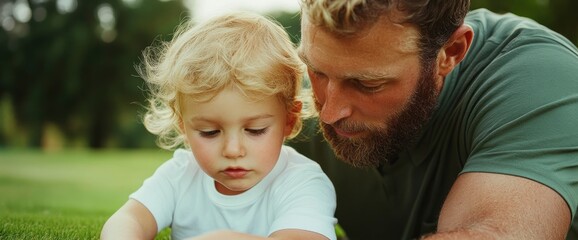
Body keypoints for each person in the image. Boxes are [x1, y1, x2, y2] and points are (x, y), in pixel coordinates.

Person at [296, 0, 578, 239]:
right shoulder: (289, 103)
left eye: (368, 85)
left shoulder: (538, 79)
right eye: (316, 72)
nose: (329, 113)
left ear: (451, 53)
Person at [101, 11, 337, 240]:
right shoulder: (180, 176)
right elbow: (129, 219)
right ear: (183, 125)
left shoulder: (302, 181)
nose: (233, 150)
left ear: (289, 120)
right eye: (209, 132)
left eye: (255, 130)